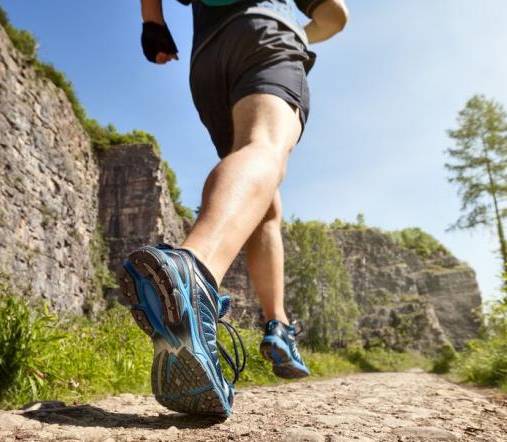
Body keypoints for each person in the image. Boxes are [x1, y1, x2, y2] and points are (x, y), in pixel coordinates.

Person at [119, 0, 349, 417]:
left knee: (262, 199)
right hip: (266, 33)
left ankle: (277, 325)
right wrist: (301, 31)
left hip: (207, 58)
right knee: (265, 146)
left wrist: (152, 24)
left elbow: (153, 12)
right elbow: (335, 15)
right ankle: (196, 270)